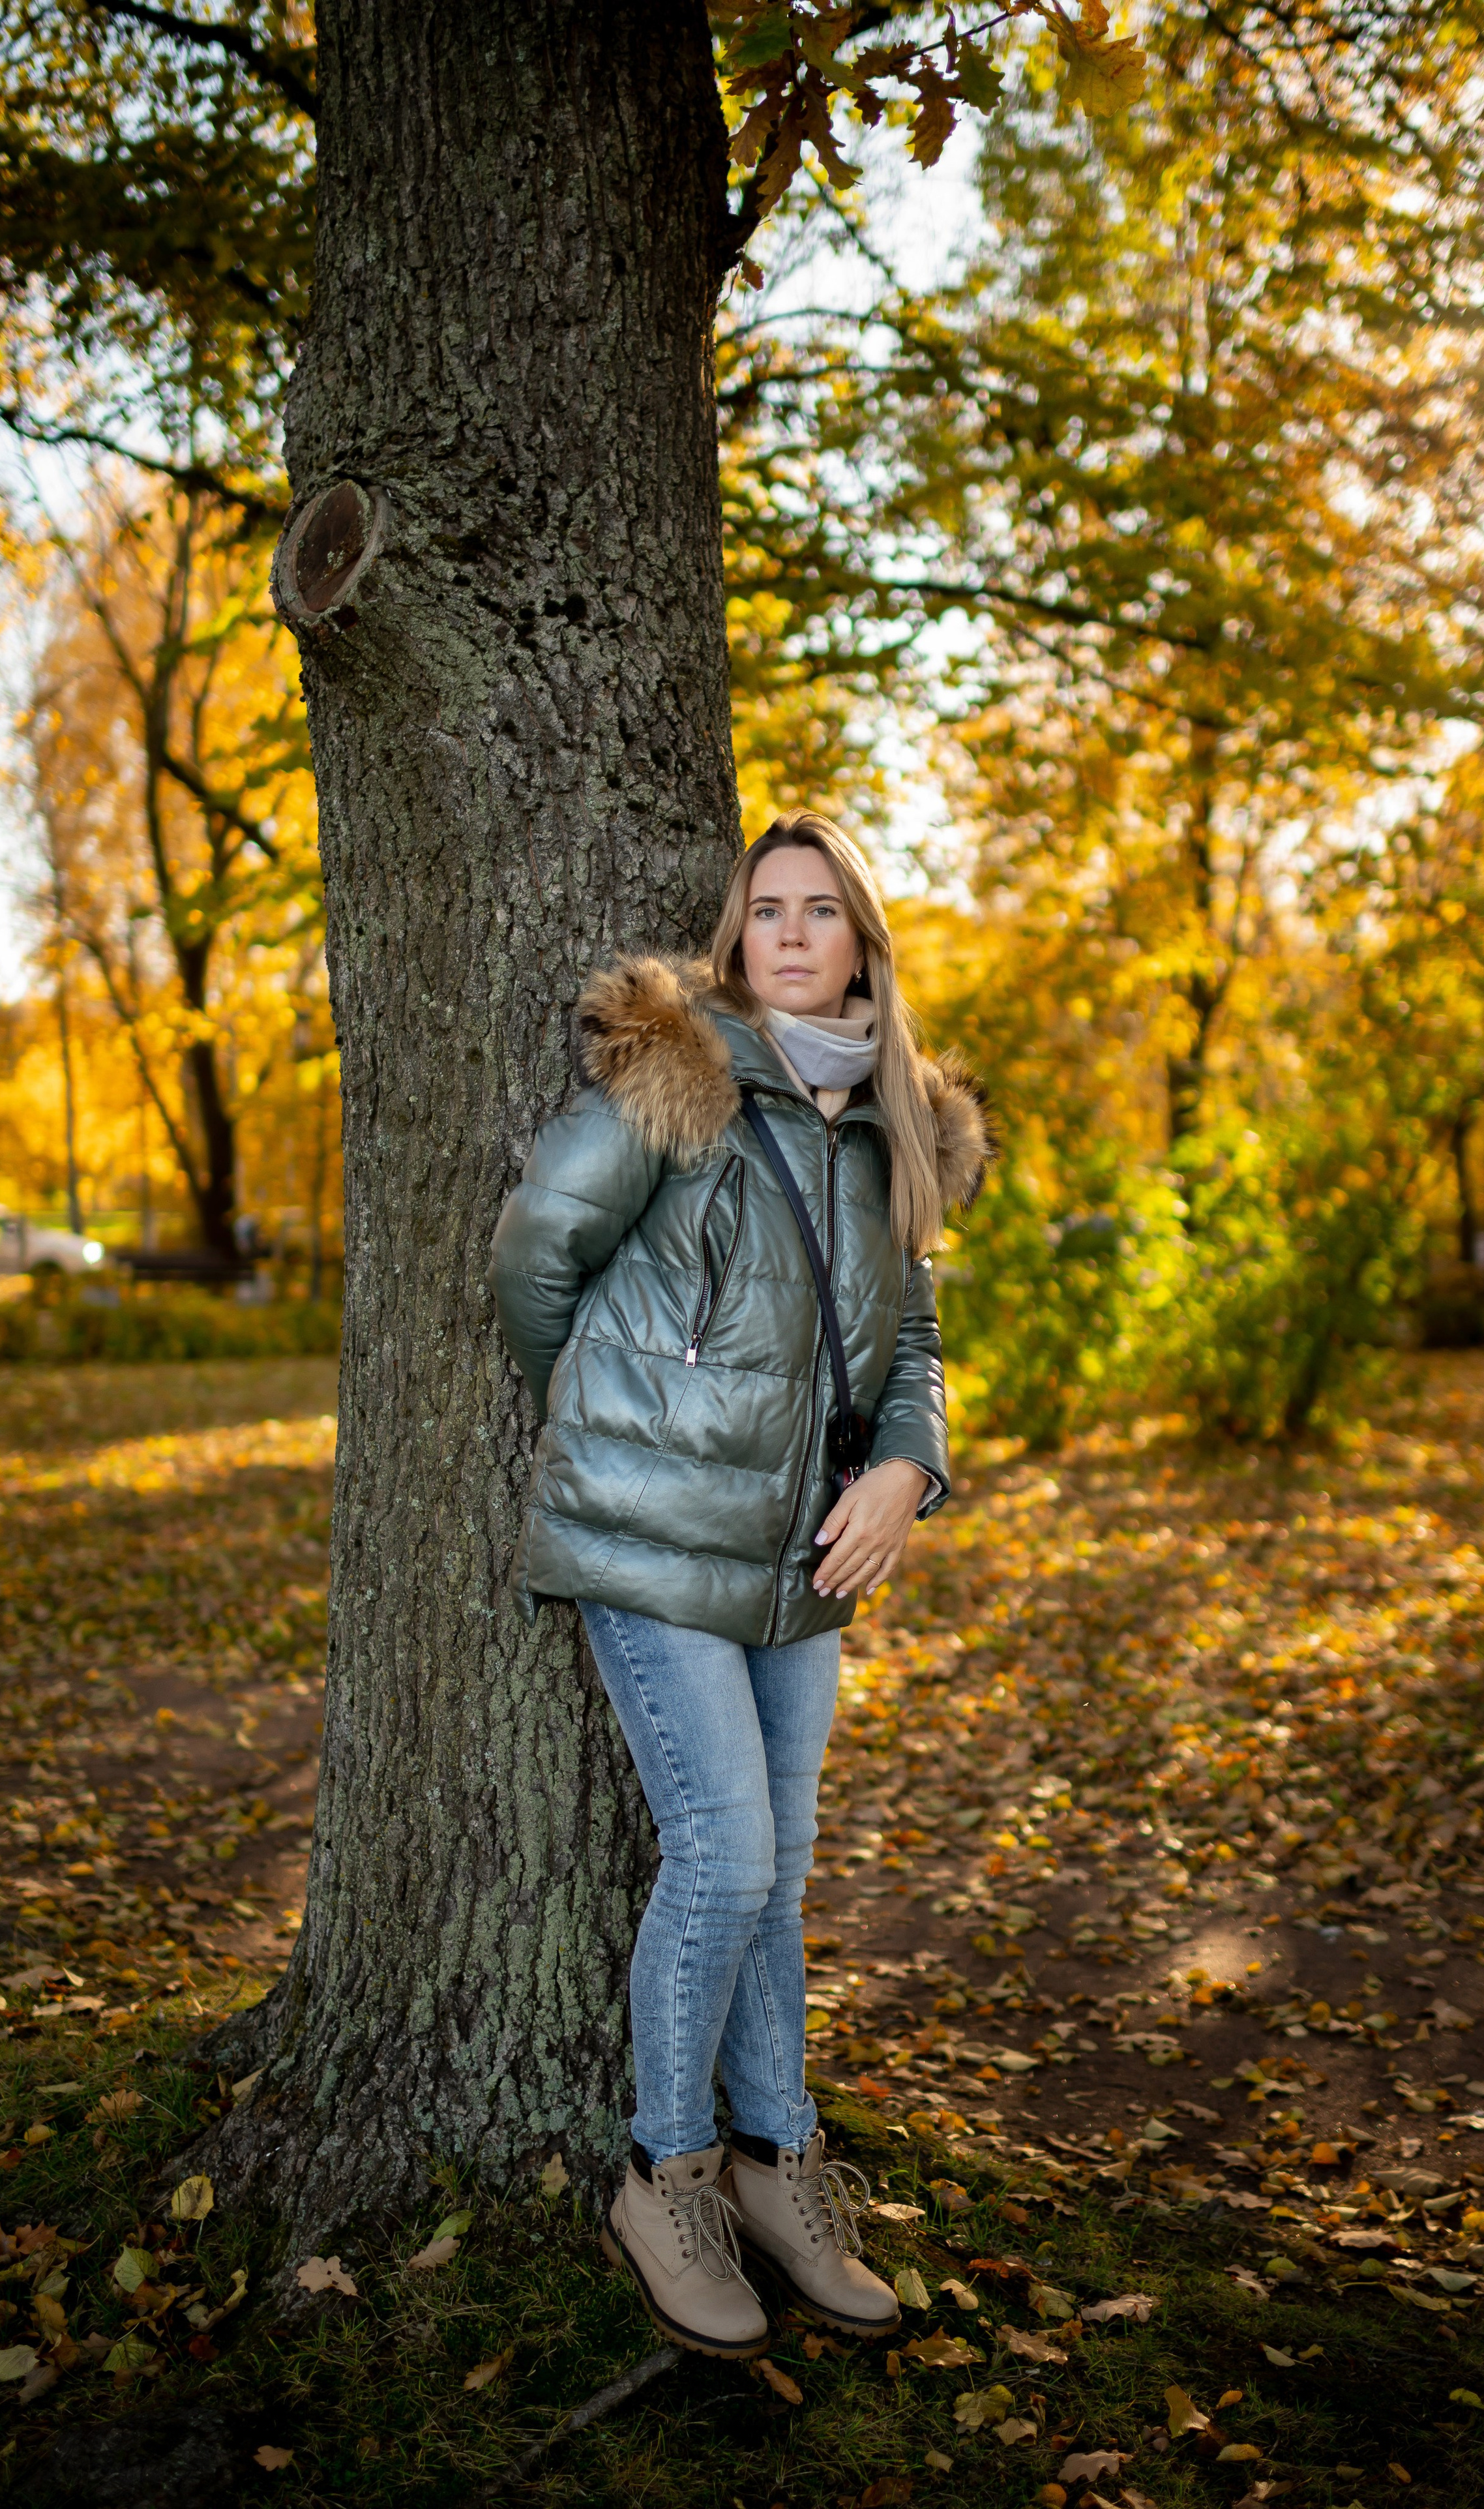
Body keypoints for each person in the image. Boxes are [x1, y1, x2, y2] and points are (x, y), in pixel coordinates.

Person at [490, 810, 990, 2360]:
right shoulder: (680, 1078)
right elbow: (533, 1255)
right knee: (724, 1852)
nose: (785, 932)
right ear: (735, 934)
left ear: (861, 946)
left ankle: (780, 2163)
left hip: (800, 1562)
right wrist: (622, 1416)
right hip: (651, 1542)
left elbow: (907, 1346)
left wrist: (907, 1469)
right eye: (764, 908)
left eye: (817, 911)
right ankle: (665, 2175)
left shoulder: (889, 1125)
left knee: (780, 1867)